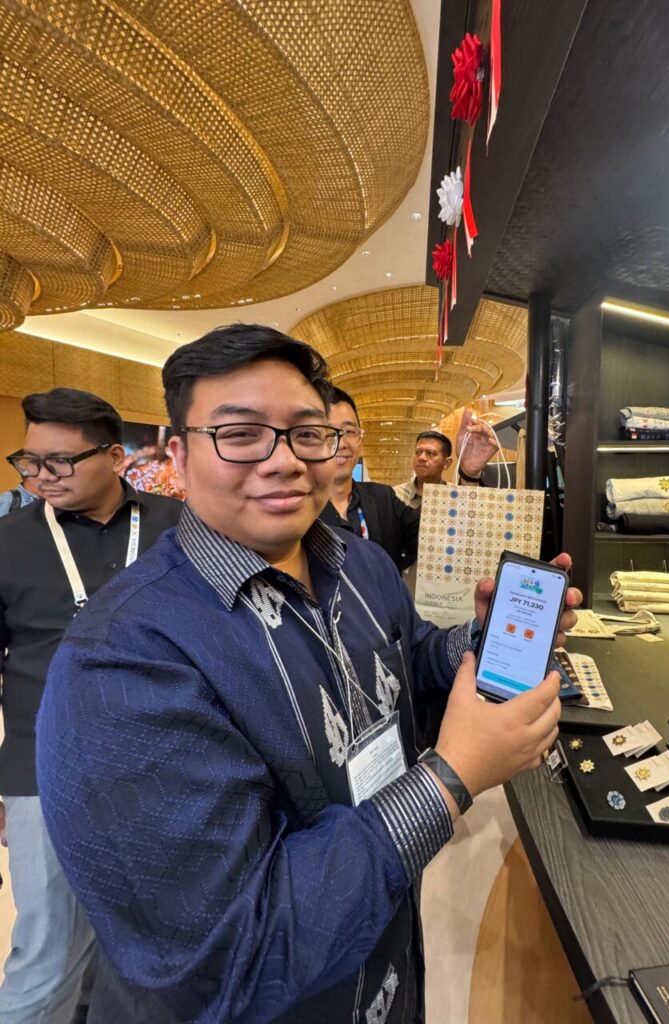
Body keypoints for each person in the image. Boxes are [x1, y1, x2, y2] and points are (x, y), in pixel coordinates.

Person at [36, 324, 579, 1024]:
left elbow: (406, 661)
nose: (284, 460)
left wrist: (479, 642)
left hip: (383, 973)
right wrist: (453, 777)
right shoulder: (120, 660)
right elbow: (233, 953)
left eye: (307, 433)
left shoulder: (359, 563)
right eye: (240, 435)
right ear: (179, 455)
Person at [0, 387, 182, 1024]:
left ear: (114, 456)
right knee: (49, 951)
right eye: (30, 461)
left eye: (60, 462)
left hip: (160, 762)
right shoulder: (7, 542)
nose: (41, 476)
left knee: (141, 941)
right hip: (42, 769)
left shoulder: (178, 529)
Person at [319, 387, 420, 570]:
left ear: (361, 440)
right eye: (329, 432)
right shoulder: (300, 508)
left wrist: (468, 474)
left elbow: (434, 536)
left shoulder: (383, 498)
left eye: (349, 431)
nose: (341, 444)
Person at [394, 418, 497, 511]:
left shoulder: (456, 494)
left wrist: (471, 473)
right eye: (418, 452)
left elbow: (473, 514)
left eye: (430, 453)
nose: (422, 458)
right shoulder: (395, 496)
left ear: (447, 463)